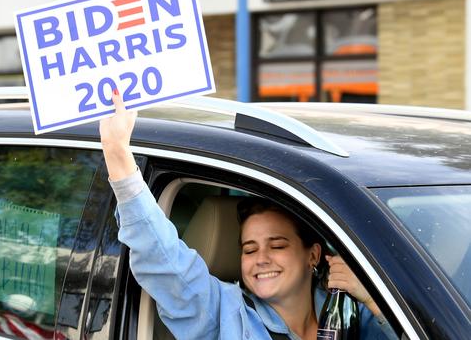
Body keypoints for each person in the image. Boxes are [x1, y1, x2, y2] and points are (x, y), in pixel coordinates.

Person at [100, 90, 396, 339]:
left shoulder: (350, 311)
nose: (261, 258)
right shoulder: (226, 315)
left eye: (277, 245)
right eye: (249, 249)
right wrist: (118, 155)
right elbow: (164, 262)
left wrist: (373, 299)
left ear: (313, 255)